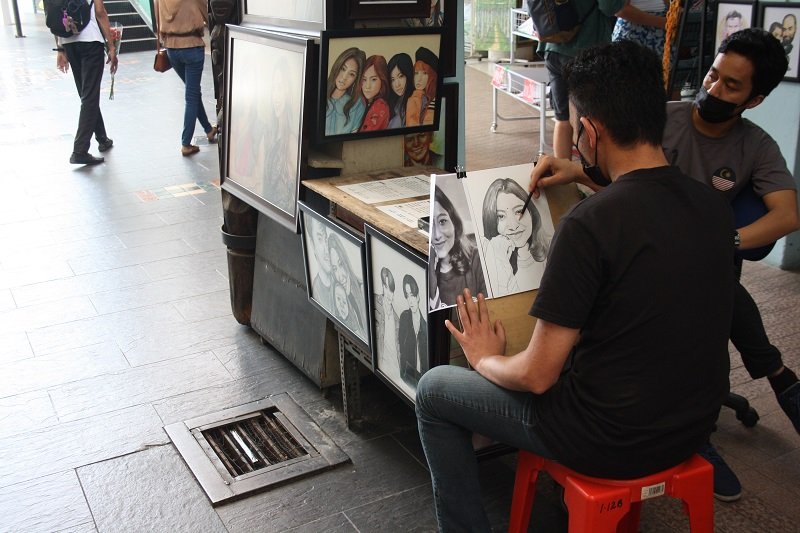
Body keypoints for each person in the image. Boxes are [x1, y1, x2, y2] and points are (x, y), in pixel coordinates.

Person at [416, 40, 736, 531]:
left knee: (434, 390)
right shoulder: (713, 206)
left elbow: (537, 376)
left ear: (588, 131)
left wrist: (484, 359)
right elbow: (648, 210)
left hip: (603, 440)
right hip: (691, 429)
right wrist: (587, 176)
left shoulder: (589, 226)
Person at [529, 29, 800, 502]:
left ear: (754, 99)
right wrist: (577, 171)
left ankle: (714, 420)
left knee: (705, 290)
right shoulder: (660, 118)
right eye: (713, 75)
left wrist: (722, 239)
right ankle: (777, 378)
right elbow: (628, 183)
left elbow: (787, 215)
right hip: (649, 250)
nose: (714, 88)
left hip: (698, 258)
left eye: (731, 85)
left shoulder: (754, 147)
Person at [536, 0, 626, 159]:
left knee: (563, 118)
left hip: (553, 48)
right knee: (589, 120)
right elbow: (609, 7)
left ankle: (562, 172)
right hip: (584, 51)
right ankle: (590, 170)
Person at [55, 0, 118, 165]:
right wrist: (111, 46)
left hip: (68, 42)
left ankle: (102, 138)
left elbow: (54, 12)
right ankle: (79, 150)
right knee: (89, 96)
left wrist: (60, 48)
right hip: (91, 41)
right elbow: (100, 11)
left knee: (87, 94)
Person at [156, 0, 218, 157]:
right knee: (191, 96)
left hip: (171, 48)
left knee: (193, 92)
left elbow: (158, 18)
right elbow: (209, 15)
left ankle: (209, 130)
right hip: (191, 46)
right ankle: (186, 143)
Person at [480, 178, 549, 297]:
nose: (513, 226)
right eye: (501, 216)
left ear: (531, 212)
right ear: (491, 222)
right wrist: (500, 262)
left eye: (519, 211)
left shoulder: (552, 246)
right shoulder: (491, 262)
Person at [428, 185, 487, 310]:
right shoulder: (428, 272)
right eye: (429, 224)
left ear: (454, 222)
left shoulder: (478, 259)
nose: (437, 235)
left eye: (442, 221)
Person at [328, 232, 366, 339]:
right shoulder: (338, 296)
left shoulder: (363, 289)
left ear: (346, 262)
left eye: (341, 264)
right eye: (335, 268)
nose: (340, 276)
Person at [325, 47, 366, 135]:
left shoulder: (358, 105)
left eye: (351, 74)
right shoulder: (319, 94)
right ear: (337, 66)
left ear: (356, 79)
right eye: (343, 69)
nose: (344, 77)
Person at [398, 275, 428, 388]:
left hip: (423, 379)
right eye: (407, 295)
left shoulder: (425, 327)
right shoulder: (404, 318)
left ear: (418, 296)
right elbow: (401, 350)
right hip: (407, 376)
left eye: (412, 295)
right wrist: (402, 374)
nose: (410, 300)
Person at [374, 267, 400, 374]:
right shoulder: (374, 302)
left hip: (395, 368)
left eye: (391, 290)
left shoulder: (397, 320)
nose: (389, 293)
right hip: (380, 365)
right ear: (382, 286)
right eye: (386, 287)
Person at [406, 47, 438, 126]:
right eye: (416, 73)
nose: (419, 79)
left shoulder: (432, 99)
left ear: (432, 76)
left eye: (424, 73)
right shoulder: (414, 99)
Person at [359, 55, 390, 132]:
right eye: (364, 79)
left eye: (373, 79)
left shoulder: (380, 107)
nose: (367, 86)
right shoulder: (362, 102)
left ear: (382, 79)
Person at [308, 217, 333, 311]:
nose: (327, 249)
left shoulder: (340, 282)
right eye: (320, 239)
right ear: (312, 244)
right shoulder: (316, 291)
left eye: (326, 238)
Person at [387, 53, 414, 128]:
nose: (397, 84)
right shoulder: (394, 102)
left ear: (408, 74)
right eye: (392, 80)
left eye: (401, 76)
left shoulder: (415, 101)